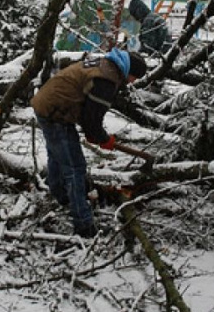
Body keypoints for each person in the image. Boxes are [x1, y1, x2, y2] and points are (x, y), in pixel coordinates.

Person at [31, 48, 147, 238]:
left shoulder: (105, 66)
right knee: (75, 168)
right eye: (135, 77)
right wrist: (103, 138)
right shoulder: (106, 79)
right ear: (130, 71)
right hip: (56, 113)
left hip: (48, 106)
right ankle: (84, 225)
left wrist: (97, 135)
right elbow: (91, 121)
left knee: (58, 156)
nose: (134, 82)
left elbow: (91, 113)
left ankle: (61, 196)